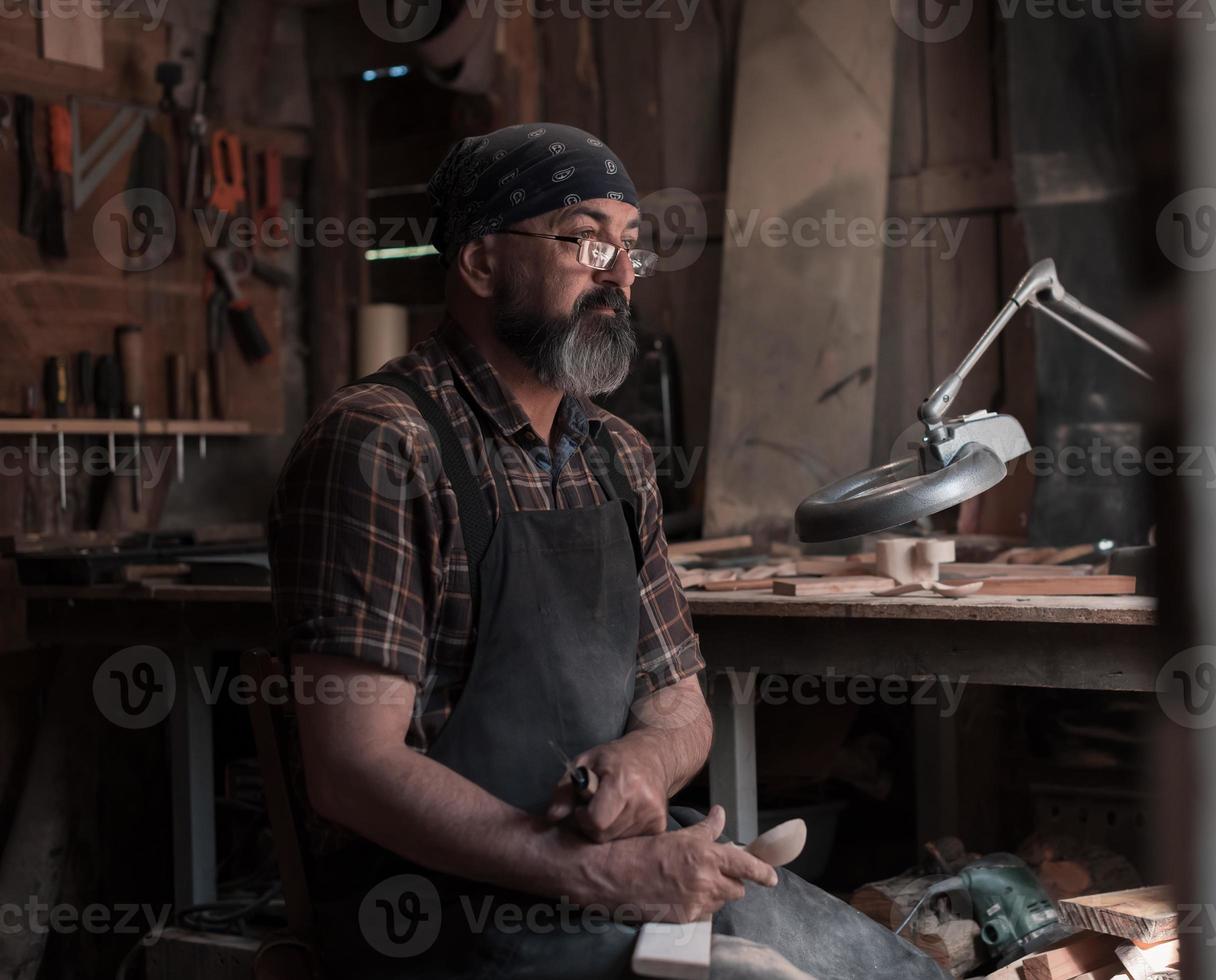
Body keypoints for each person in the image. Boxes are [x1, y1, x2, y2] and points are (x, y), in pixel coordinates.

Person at [267, 122, 945, 980]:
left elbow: (680, 708)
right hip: (434, 912)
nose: (621, 276)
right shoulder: (380, 443)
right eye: (586, 241)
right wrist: (598, 873)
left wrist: (641, 763)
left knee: (897, 971)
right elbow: (351, 771)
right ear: (479, 263)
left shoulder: (615, 455)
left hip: (597, 873)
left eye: (630, 247)